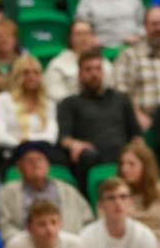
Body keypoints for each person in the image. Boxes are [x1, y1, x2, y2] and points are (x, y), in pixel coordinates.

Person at [58, 48, 142, 190]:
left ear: (103, 72)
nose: (94, 74)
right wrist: (75, 144)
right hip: (91, 156)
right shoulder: (69, 103)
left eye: (98, 69)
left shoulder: (121, 98)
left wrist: (138, 150)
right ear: (80, 74)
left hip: (122, 155)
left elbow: (136, 133)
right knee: (86, 156)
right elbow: (64, 138)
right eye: (88, 70)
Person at [0, 140, 93, 243]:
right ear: (19, 167)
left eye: (40, 159)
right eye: (30, 161)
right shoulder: (7, 192)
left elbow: (87, 219)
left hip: (68, 245)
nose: (36, 164)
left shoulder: (67, 190)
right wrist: (26, 242)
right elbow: (3, 225)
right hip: (25, 246)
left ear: (48, 165)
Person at [0, 55, 59, 159]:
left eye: (36, 72)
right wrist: (23, 146)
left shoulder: (49, 104)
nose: (32, 77)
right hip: (13, 153)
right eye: (26, 73)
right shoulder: (3, 99)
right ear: (17, 76)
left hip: (42, 154)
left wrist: (25, 140)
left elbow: (51, 137)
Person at [117, 137, 160, 241]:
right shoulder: (116, 196)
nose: (124, 169)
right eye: (122, 164)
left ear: (145, 167)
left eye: (131, 164)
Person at [44, 20, 114, 105]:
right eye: (78, 34)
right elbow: (54, 93)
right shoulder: (57, 65)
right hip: (70, 109)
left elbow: (111, 90)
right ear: (70, 38)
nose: (83, 38)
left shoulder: (105, 63)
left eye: (87, 34)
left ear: (93, 37)